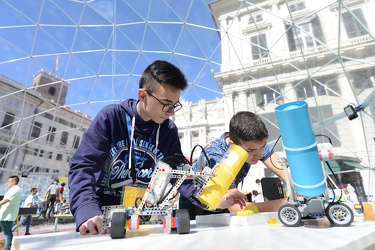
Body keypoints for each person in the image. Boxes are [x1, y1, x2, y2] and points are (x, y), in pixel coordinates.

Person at [69, 60, 190, 235]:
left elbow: (178, 173)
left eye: (175, 105)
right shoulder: (111, 118)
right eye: (166, 103)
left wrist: (214, 197)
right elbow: (83, 165)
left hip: (145, 219)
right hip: (103, 221)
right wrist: (87, 210)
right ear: (143, 95)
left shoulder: (168, 130)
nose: (171, 112)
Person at [180, 111, 287, 216]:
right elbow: (236, 207)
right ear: (232, 145)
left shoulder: (253, 144)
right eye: (250, 151)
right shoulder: (215, 157)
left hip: (224, 206)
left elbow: (285, 173)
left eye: (263, 147)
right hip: (196, 206)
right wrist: (284, 205)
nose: (258, 154)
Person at [0, 175, 22, 250]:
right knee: (7, 232)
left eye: (8, 181)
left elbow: (6, 200)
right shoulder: (14, 189)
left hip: (7, 216)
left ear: (14, 182)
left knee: (7, 233)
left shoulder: (15, 189)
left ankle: (7, 248)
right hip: (5, 215)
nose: (7, 183)